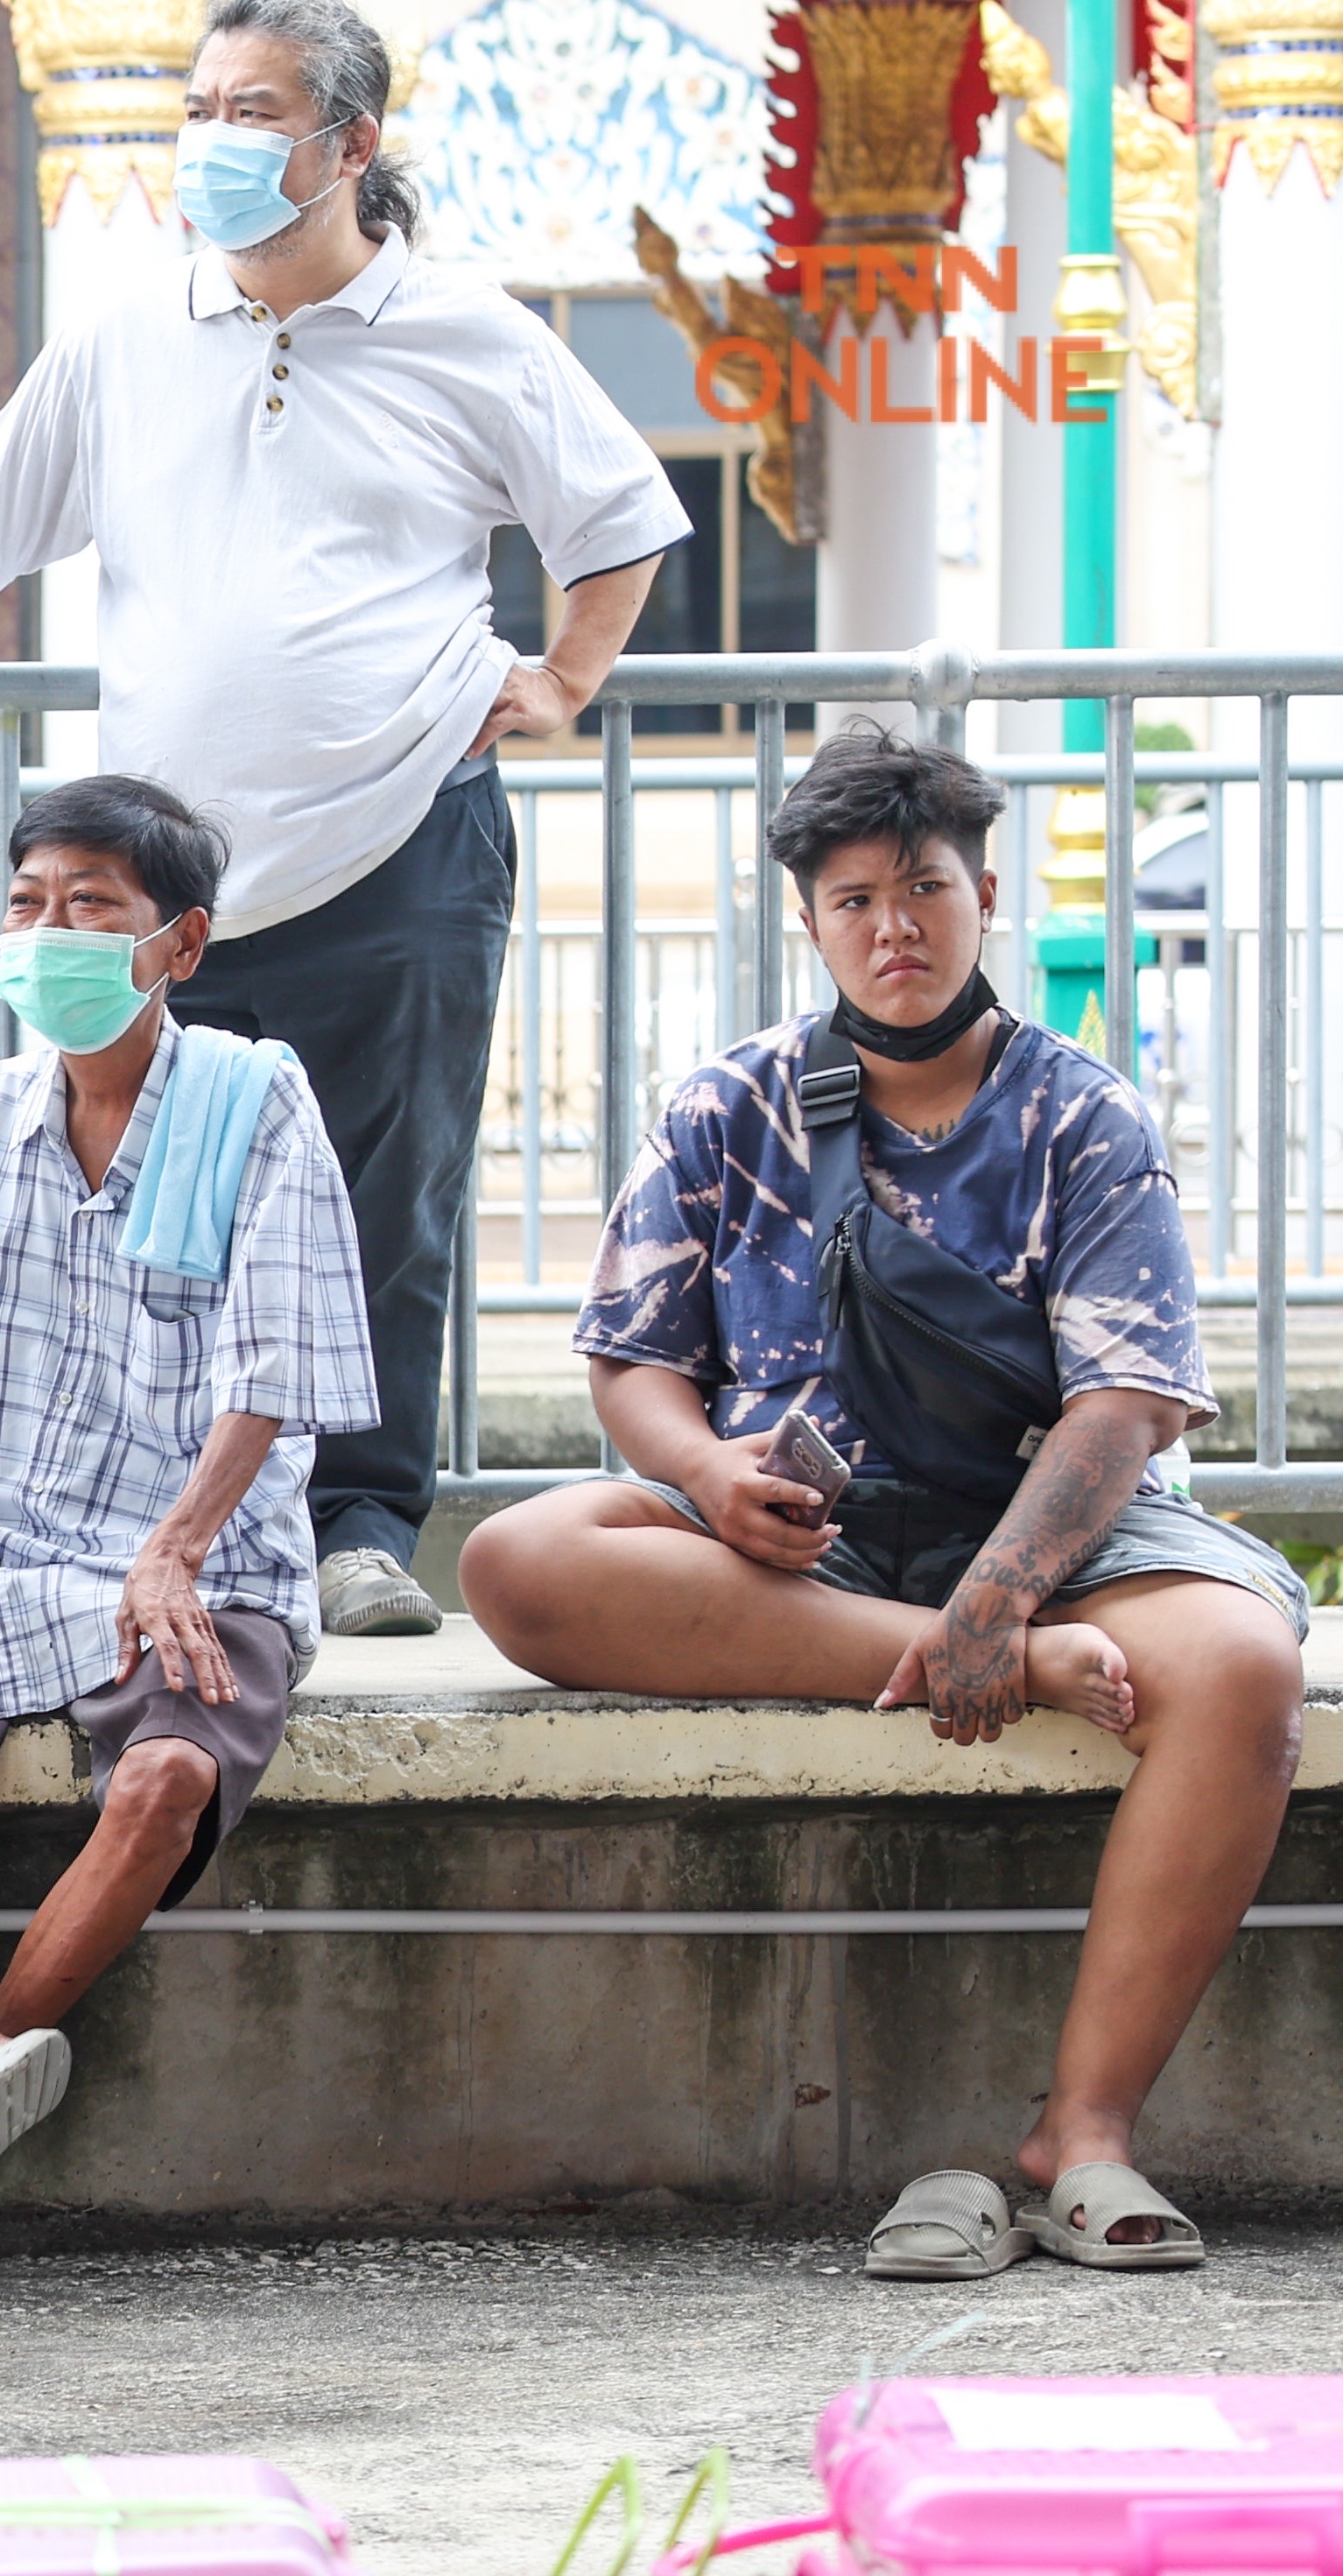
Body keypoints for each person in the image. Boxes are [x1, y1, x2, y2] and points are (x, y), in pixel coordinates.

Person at [0, 0, 682, 1639]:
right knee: (152, 1194)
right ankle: (175, 1511)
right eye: (199, 103)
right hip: (170, 885)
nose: (211, 136)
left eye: (252, 108)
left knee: (376, 1193)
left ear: (349, 145)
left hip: (397, 833)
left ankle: (358, 1520)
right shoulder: (131, 335)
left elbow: (620, 516)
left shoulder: (470, 335)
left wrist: (564, 674)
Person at [457, 727, 1310, 2280]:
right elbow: (633, 1369)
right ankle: (943, 1637)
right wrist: (711, 1473)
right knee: (519, 1560)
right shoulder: (731, 1105)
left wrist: (1006, 1596)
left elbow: (1126, 1407)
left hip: (1060, 1536)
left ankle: (1087, 2134)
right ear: (812, 923)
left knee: (1246, 1668)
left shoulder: (1083, 1117)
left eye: (924, 889)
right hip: (816, 1542)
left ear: (985, 894)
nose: (893, 928)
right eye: (853, 900)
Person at [0, 778, 378, 2259]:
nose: (51, 930)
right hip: (6, 1549)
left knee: (165, 1779)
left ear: (180, 942)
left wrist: (175, 1545)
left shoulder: (252, 1098)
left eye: (92, 904)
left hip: (197, 1560)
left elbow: (275, 1365)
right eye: (29, 901)